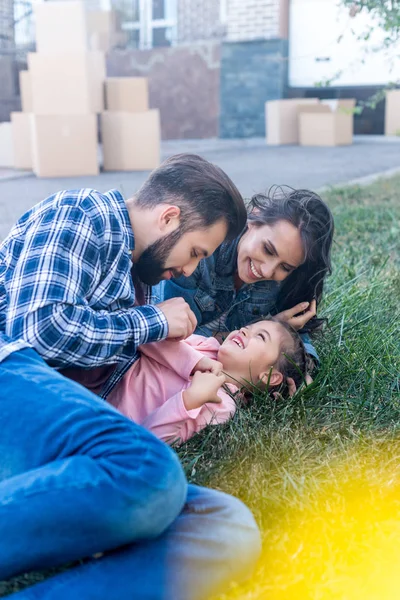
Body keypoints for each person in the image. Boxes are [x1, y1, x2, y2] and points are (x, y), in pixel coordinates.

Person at [0, 154, 261, 598]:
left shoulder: (144, 280)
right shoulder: (84, 214)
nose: (190, 270)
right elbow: (37, 330)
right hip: (12, 376)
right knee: (147, 471)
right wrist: (154, 321)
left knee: (224, 526)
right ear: (168, 217)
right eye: (196, 252)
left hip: (53, 441)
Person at [154, 187, 334, 366]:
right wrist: (268, 326)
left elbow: (296, 336)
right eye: (268, 250)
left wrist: (301, 366)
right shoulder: (198, 256)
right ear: (254, 219)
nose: (267, 271)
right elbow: (174, 340)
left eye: (285, 267)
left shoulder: (283, 281)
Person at [107, 318, 307, 445]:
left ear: (270, 376)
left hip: (107, 418)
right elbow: (146, 339)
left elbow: (152, 440)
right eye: (249, 326)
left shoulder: (221, 406)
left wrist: (190, 400)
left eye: (260, 336)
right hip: (102, 368)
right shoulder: (206, 346)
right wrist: (194, 362)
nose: (245, 329)